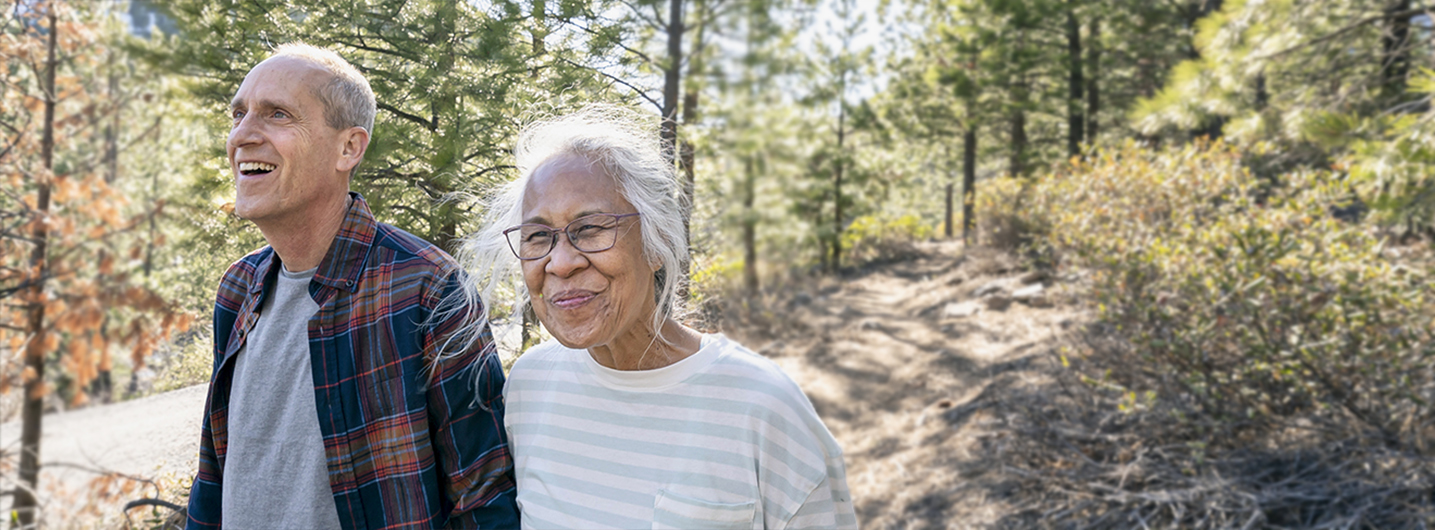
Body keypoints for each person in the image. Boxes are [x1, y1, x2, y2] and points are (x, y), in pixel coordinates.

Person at [449, 106, 858, 529]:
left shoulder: (760, 405)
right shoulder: (530, 386)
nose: (561, 262)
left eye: (590, 228)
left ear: (657, 244)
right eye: (538, 236)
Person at [185, 43, 519, 529]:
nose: (243, 134)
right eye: (238, 114)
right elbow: (214, 466)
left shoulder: (427, 287)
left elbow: (484, 496)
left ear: (349, 147)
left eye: (277, 114)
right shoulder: (238, 288)